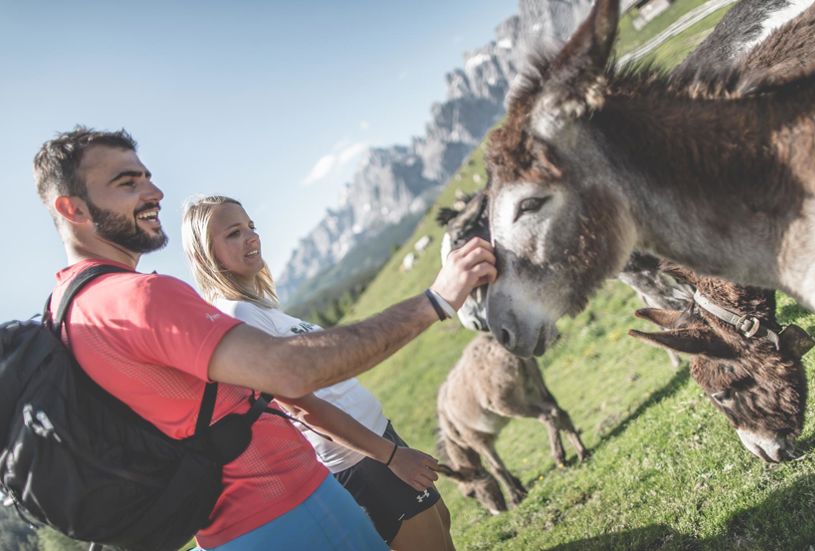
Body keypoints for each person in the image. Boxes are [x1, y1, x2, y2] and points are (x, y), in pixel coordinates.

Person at [33, 126, 496, 550]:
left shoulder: (68, 309)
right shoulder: (136, 298)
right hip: (283, 512)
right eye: (126, 182)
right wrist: (433, 301)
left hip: (241, 524)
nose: (154, 192)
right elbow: (291, 376)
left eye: (147, 177)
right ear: (71, 209)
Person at [181, 194, 455, 550]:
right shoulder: (238, 314)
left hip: (376, 442)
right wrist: (389, 456)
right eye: (234, 233)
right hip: (363, 459)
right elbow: (298, 405)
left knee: (441, 525)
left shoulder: (258, 308)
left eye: (251, 226)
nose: (252, 237)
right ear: (206, 254)